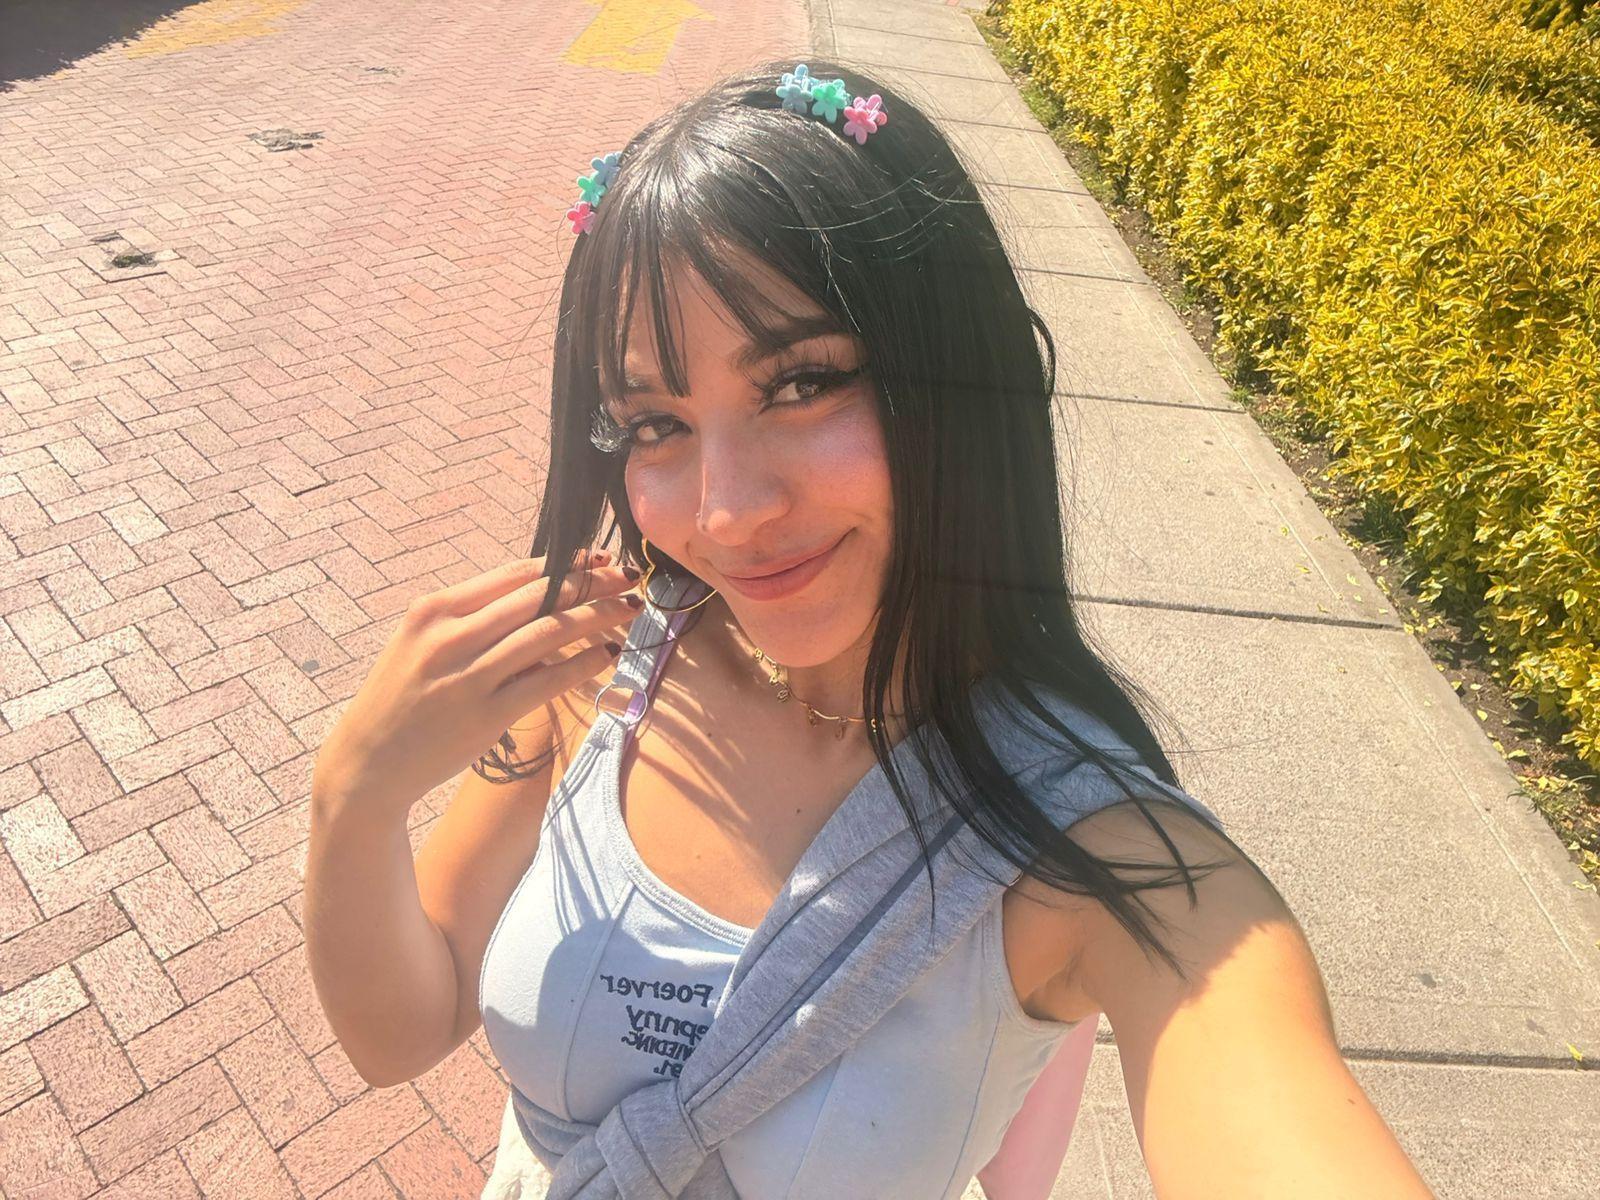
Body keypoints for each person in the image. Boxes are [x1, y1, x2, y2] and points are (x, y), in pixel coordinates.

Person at [304, 59, 1436, 1200]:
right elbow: (401, 1035)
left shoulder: (1094, 858)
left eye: (801, 384)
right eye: (655, 423)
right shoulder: (596, 673)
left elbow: (1249, 1056)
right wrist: (354, 794)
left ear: (956, 373)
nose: (726, 513)